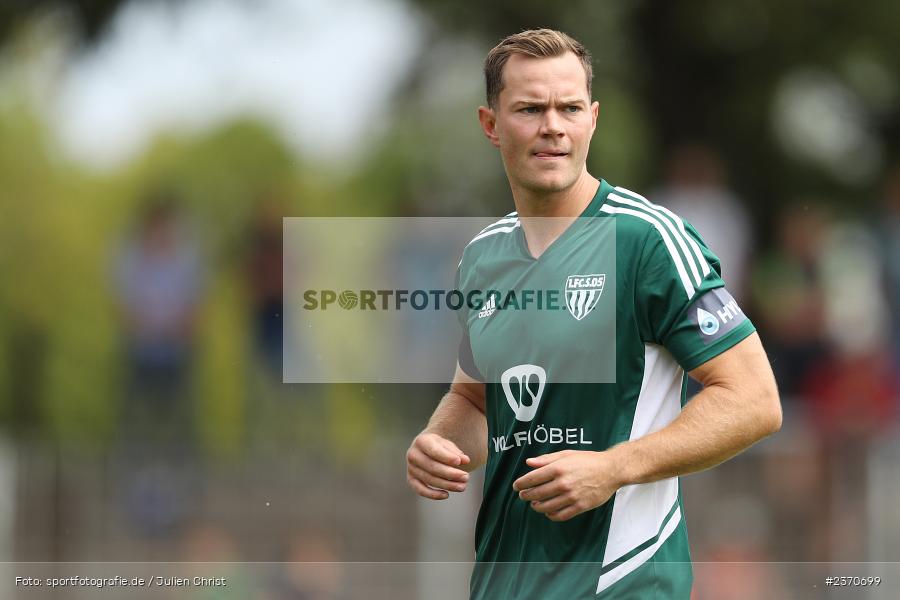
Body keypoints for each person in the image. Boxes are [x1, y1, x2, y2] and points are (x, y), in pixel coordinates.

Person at [405, 29, 782, 599]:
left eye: (569, 108)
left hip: (622, 582)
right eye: (530, 109)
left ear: (593, 118)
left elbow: (755, 400)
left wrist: (615, 467)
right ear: (490, 124)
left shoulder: (648, 241)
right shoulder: (482, 257)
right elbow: (474, 400)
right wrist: (439, 443)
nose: (552, 125)